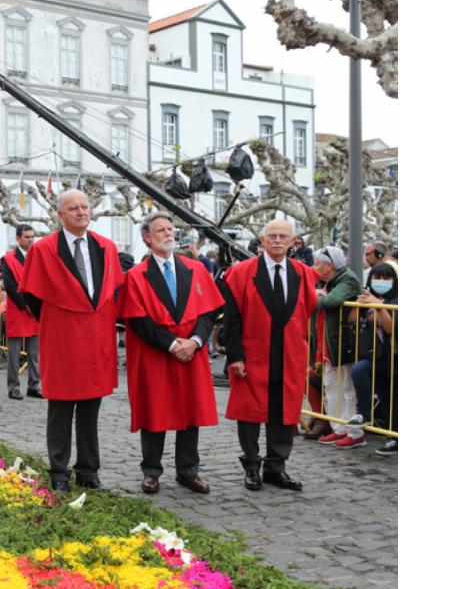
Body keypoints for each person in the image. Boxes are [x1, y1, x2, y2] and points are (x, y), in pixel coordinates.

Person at [20, 190, 124, 493]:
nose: (81, 212)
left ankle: (88, 470)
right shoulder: (44, 249)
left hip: (96, 337)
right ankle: (59, 471)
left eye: (85, 207)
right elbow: (32, 296)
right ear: (60, 215)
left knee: (91, 408)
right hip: (62, 337)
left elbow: (113, 289)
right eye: (73, 208)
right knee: (61, 409)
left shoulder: (105, 247)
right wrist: (59, 317)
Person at [118, 212, 223, 495]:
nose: (168, 234)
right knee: (155, 410)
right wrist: (173, 344)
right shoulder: (136, 276)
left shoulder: (195, 269)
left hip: (192, 350)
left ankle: (188, 471)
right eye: (161, 230)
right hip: (157, 352)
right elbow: (138, 320)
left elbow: (208, 311)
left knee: (191, 411)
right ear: (147, 238)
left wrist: (196, 341)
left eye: (170, 228)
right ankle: (151, 471)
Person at [223, 219, 318, 492]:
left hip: (289, 355)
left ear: (293, 242)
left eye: (283, 236)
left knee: (284, 413)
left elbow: (306, 313)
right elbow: (232, 319)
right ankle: (252, 466)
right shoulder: (240, 273)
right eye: (272, 236)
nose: (277, 240)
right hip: (252, 354)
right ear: (262, 240)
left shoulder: (303, 273)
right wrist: (235, 356)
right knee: (250, 414)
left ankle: (277, 468)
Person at [311, 245, 364, 449]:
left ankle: (354, 432)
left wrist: (318, 295)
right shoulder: (329, 280)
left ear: (329, 265)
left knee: (348, 389)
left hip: (345, 342)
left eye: (318, 263)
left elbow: (330, 302)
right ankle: (338, 428)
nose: (315, 267)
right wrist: (319, 294)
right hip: (330, 344)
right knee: (331, 386)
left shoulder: (347, 279)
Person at [346, 263, 399, 456]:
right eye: (377, 277)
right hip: (375, 355)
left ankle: (393, 437)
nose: (381, 281)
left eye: (386, 278)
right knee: (384, 395)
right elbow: (352, 321)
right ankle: (366, 414)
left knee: (392, 399)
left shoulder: (395, 300)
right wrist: (360, 303)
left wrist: (377, 304)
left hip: (394, 356)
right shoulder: (368, 297)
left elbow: (390, 328)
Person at [1, 225, 42, 401]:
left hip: (35, 310)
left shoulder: (39, 256)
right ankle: (14, 387)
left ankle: (34, 386)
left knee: (34, 353)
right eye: (27, 237)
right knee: (14, 353)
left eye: (32, 236)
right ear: (18, 238)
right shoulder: (9, 259)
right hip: (18, 309)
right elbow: (9, 284)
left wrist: (36, 305)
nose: (31, 240)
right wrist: (26, 305)